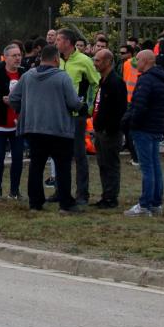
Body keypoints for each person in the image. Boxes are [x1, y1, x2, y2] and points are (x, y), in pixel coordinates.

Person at [8, 45, 87, 214]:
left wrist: (25, 110)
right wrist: (82, 106)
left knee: (36, 165)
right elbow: (73, 103)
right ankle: (66, 204)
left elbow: (14, 98)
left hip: (34, 128)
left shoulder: (28, 76)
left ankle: (35, 203)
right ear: (56, 59)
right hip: (59, 129)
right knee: (63, 167)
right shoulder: (62, 77)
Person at [120, 50, 164, 217]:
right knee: (155, 166)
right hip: (156, 127)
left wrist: (130, 123)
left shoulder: (146, 81)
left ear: (147, 61)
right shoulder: (161, 80)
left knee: (147, 167)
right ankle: (156, 203)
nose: (136, 62)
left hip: (144, 129)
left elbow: (138, 106)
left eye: (139, 59)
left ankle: (144, 204)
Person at [56, 28, 100, 206]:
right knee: (60, 155)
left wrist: (87, 106)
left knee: (79, 155)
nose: (56, 42)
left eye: (58, 39)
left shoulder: (84, 61)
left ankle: (82, 193)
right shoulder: (56, 60)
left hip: (76, 116)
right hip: (58, 115)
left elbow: (96, 82)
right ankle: (61, 190)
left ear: (68, 42)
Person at [0, 43, 25, 201]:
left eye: (19, 55)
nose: (17, 58)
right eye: (14, 55)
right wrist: (1, 100)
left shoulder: (24, 74)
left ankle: (14, 191)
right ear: (5, 57)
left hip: (18, 124)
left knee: (18, 158)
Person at [91, 48, 128, 209]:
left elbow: (119, 109)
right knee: (103, 164)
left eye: (98, 60)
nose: (95, 63)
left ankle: (111, 197)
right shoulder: (103, 81)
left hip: (109, 132)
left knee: (110, 165)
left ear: (108, 62)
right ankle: (106, 195)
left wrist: (110, 128)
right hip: (100, 131)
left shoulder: (115, 82)